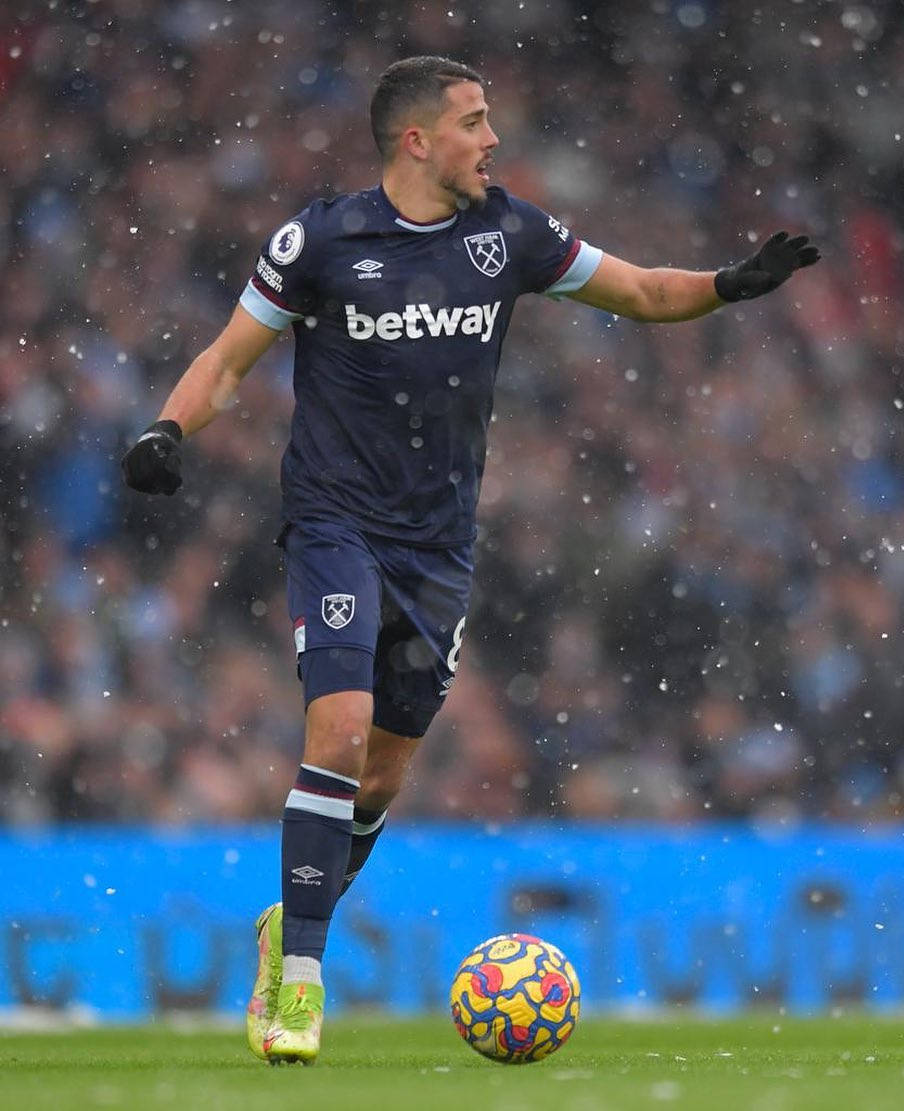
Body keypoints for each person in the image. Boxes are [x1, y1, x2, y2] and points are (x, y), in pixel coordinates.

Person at [121, 55, 819, 1064]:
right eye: (473, 120)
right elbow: (228, 358)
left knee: (385, 772)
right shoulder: (320, 240)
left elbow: (642, 292)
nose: (492, 138)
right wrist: (165, 429)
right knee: (342, 722)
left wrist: (728, 285)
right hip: (335, 522)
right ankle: (302, 983)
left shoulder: (511, 236)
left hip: (438, 544)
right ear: (417, 140)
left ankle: (287, 921)